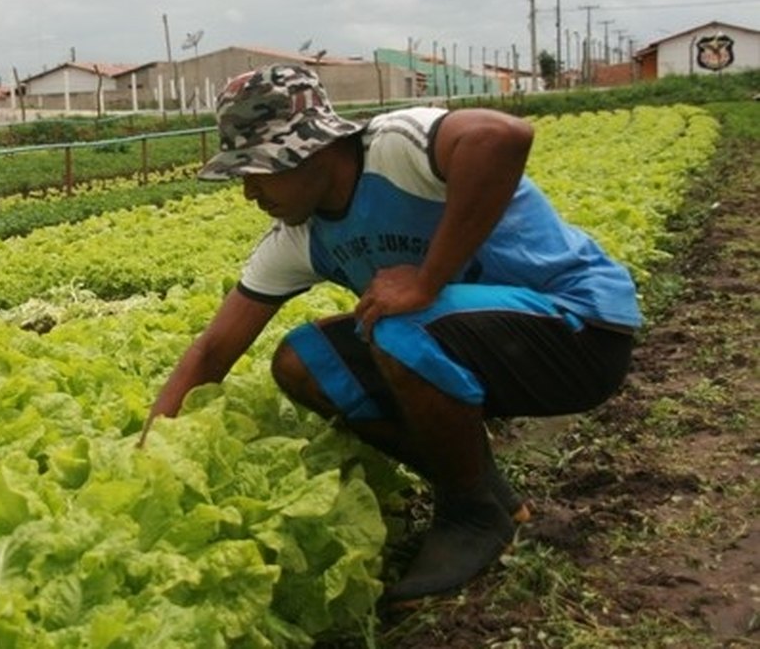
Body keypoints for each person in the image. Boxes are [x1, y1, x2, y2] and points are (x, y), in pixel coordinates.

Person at [142, 63, 640, 604]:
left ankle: (468, 514)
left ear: (310, 149)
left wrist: (428, 279)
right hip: (484, 348)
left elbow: (503, 135)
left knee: (398, 326)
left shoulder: (398, 148)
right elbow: (214, 350)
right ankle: (486, 496)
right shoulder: (299, 237)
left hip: (579, 330)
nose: (249, 193)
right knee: (302, 361)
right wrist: (149, 456)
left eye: (258, 170)